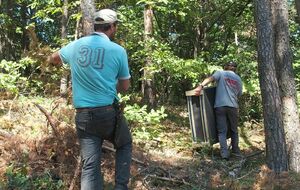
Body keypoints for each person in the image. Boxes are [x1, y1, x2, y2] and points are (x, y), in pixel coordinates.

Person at [47, 9, 132, 190]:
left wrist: (51, 63)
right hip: (108, 113)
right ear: (112, 27)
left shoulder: (76, 45)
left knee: (90, 166)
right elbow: (125, 86)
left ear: (95, 26)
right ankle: (120, 187)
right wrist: (109, 89)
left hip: (84, 116)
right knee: (124, 144)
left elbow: (53, 58)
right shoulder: (118, 50)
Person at [194, 61, 243, 160]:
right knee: (234, 130)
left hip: (220, 106)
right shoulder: (238, 79)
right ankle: (236, 151)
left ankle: (224, 154)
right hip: (233, 106)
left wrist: (200, 86)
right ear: (235, 68)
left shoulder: (220, 73)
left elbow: (210, 79)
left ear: (226, 67)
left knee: (222, 131)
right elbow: (239, 93)